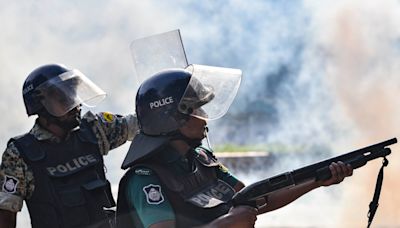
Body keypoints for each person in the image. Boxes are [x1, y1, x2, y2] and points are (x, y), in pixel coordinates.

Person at [116, 66, 353, 228]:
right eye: (197, 110)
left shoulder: (201, 159)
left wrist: (316, 181)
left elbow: (255, 199)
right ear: (174, 119)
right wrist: (226, 224)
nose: (205, 116)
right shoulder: (145, 179)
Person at [0, 64, 138, 228]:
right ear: (40, 105)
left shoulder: (94, 129)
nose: (74, 105)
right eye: (63, 98)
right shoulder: (19, 155)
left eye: (73, 95)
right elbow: (6, 215)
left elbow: (141, 123)